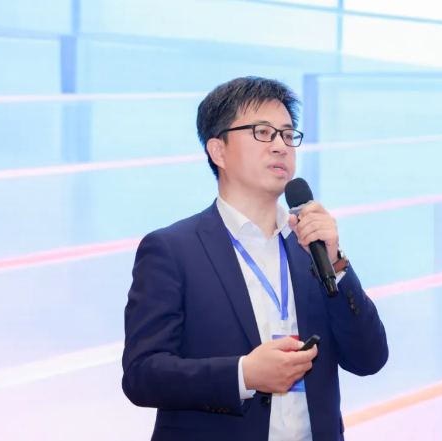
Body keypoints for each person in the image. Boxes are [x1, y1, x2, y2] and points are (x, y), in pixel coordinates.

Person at [121, 76, 389, 441]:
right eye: (263, 132)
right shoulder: (172, 249)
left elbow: (369, 358)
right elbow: (142, 374)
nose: (280, 146)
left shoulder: (311, 247)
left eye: (288, 135)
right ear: (218, 151)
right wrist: (243, 374)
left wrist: (336, 262)